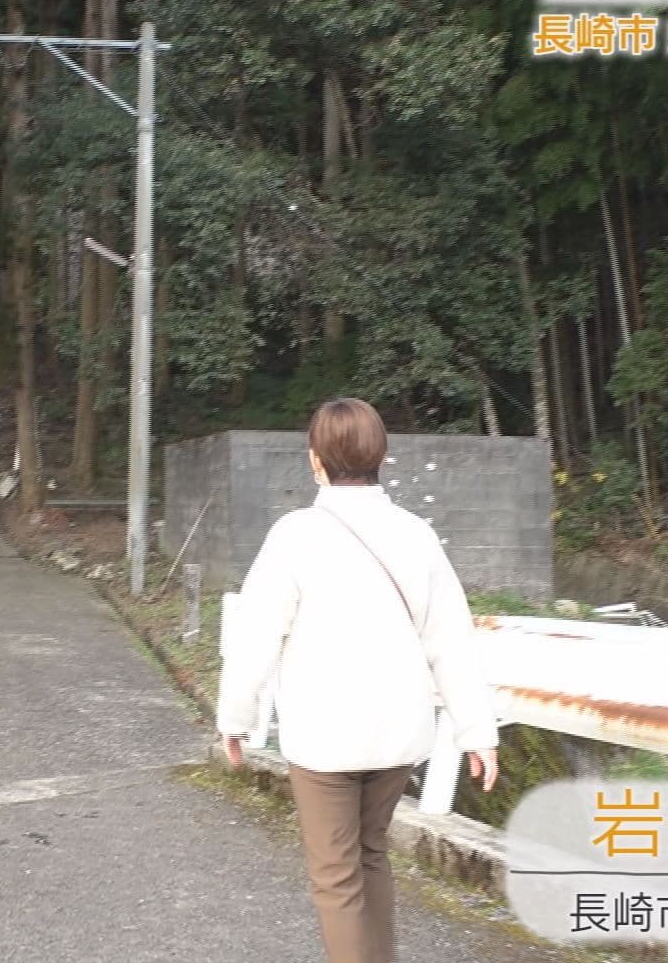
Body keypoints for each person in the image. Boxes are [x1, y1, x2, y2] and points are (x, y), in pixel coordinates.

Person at [217, 397, 500, 963]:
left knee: (336, 876)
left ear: (316, 460)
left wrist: (236, 719)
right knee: (372, 855)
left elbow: (256, 638)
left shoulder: (295, 534)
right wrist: (478, 733)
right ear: (381, 457)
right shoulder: (416, 533)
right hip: (400, 736)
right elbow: (451, 640)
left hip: (325, 738)